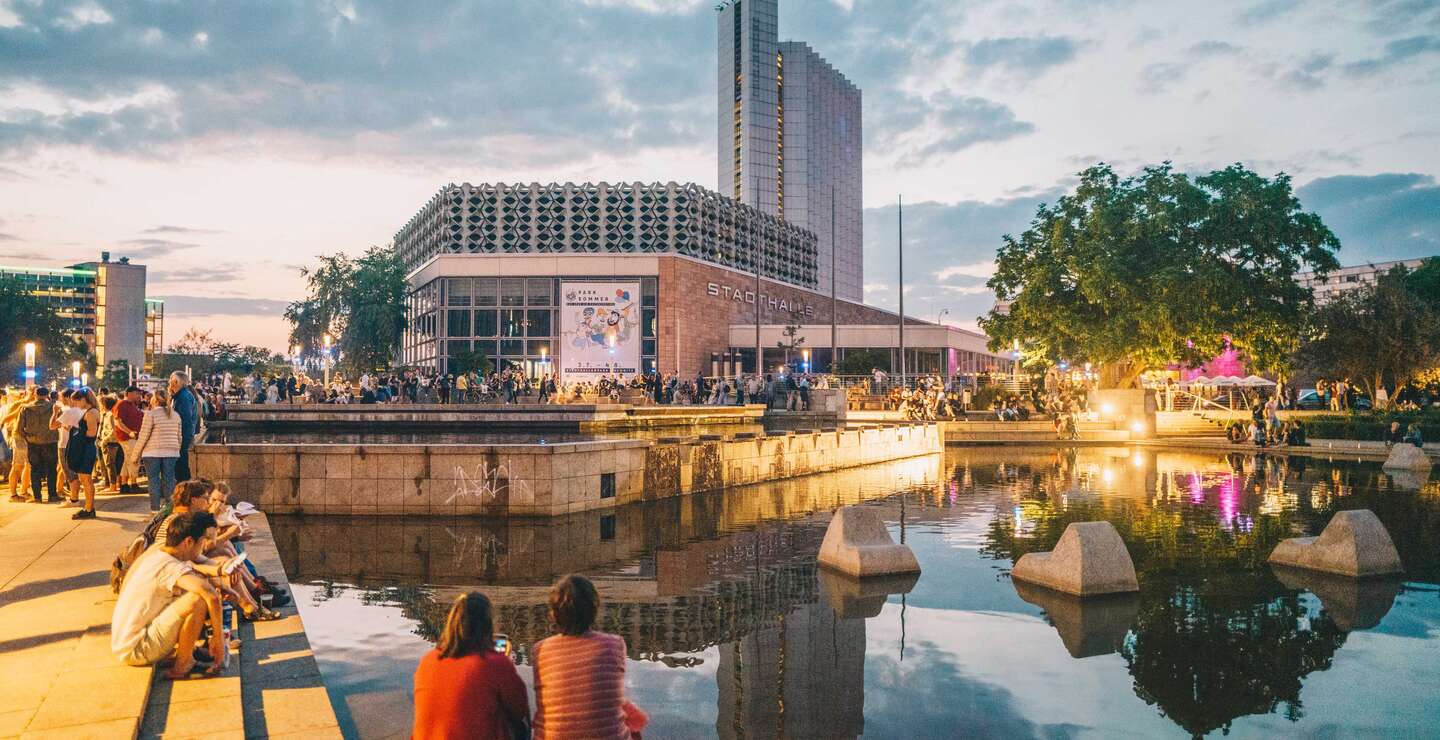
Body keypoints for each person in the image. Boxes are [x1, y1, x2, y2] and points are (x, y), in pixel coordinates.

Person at [110, 511, 226, 679]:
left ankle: (188, 653)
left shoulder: (160, 555)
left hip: (129, 643)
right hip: (136, 648)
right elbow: (210, 595)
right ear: (188, 542)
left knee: (191, 593)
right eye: (203, 542)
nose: (204, 546)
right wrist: (218, 638)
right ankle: (183, 665)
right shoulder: (168, 566)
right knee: (198, 599)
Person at [532, 575, 646, 740]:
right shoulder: (614, 644)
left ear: (554, 614)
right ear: (594, 610)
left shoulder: (540, 649)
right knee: (631, 719)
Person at [412, 592, 531, 740]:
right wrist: (507, 668)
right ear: (487, 625)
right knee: (520, 723)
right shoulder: (496, 664)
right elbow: (519, 710)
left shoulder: (427, 661)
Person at [135, 389, 183, 511]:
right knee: (169, 481)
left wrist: (135, 455)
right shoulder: (175, 415)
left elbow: (143, 436)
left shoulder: (150, 414)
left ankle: (155, 510)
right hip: (171, 452)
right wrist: (176, 448)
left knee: (153, 481)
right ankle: (169, 509)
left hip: (152, 452)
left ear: (154, 400)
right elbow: (179, 436)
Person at [65, 388, 101, 519]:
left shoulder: (90, 413)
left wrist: (76, 429)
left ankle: (89, 508)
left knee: (86, 480)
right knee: (85, 479)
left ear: (84, 400)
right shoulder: (90, 411)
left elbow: (91, 432)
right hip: (86, 447)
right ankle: (88, 507)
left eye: (77, 402)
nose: (76, 405)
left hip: (87, 448)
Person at [19, 389, 60, 503]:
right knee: (52, 469)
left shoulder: (25, 408)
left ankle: (37, 497)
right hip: (51, 442)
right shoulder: (54, 407)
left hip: (33, 443)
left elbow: (19, 428)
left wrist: (28, 438)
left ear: (35, 395)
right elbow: (60, 423)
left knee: (35, 469)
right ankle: (52, 495)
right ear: (47, 395)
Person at [114, 386, 146, 493]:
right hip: (128, 437)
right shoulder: (122, 404)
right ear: (129, 393)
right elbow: (118, 422)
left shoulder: (133, 405)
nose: (139, 396)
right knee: (134, 459)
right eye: (137, 393)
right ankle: (133, 483)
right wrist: (130, 432)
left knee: (127, 460)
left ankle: (124, 484)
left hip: (133, 437)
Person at [169, 372, 200, 482]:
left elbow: (185, 419)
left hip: (182, 435)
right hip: (183, 435)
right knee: (181, 464)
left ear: (176, 382)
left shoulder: (183, 397)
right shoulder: (183, 395)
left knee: (181, 465)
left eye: (171, 380)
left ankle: (184, 490)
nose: (169, 383)